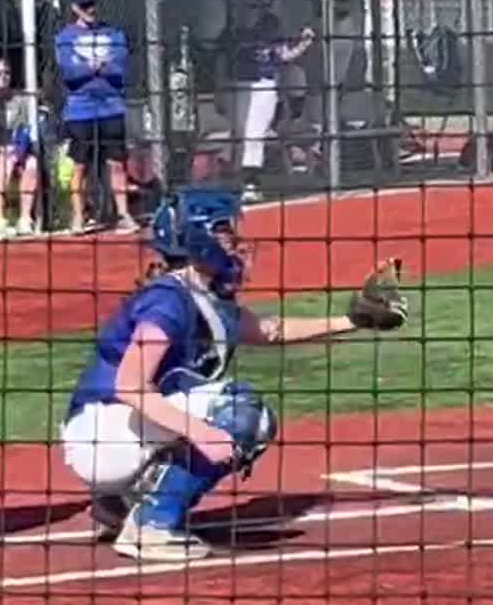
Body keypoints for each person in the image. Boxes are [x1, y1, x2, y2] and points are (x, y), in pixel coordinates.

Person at [58, 187, 409, 562]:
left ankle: (120, 505)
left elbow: (269, 331)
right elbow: (129, 386)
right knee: (244, 415)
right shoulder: (168, 302)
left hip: (117, 431)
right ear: (197, 237)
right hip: (103, 434)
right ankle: (151, 524)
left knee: (217, 405)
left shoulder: (203, 295)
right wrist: (201, 431)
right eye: (223, 231)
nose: (234, 241)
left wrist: (353, 320)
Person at [55, 0, 138, 234]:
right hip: (81, 110)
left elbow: (120, 69)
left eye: (92, 4)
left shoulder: (113, 34)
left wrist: (90, 68)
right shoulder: (65, 37)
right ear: (74, 9)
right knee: (80, 164)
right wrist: (96, 67)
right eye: (84, 5)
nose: (90, 10)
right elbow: (70, 73)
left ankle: (123, 213)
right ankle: (78, 217)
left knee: (116, 163)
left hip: (111, 107)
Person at [225, 0, 315, 202]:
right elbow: (224, 62)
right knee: (240, 134)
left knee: (254, 135)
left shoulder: (270, 25)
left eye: (263, 5)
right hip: (239, 85)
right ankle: (239, 181)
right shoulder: (235, 29)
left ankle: (251, 183)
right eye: (253, 5)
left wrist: (304, 43)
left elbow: (283, 56)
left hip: (264, 84)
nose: (258, 10)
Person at [0, 57, 46, 239]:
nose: (3, 77)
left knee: (32, 164)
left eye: (7, 73)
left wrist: (18, 151)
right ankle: (0, 221)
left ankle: (25, 219)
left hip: (16, 150)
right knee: (4, 162)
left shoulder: (20, 100)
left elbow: (26, 130)